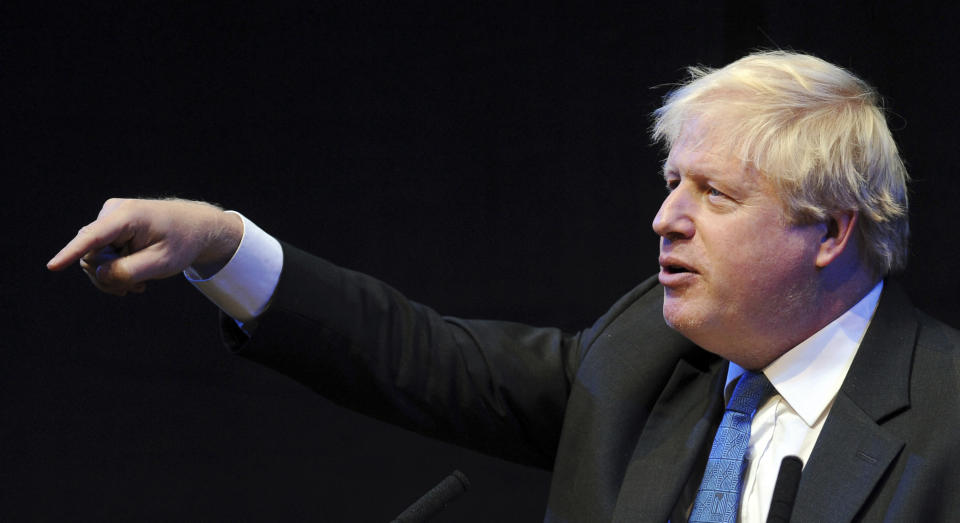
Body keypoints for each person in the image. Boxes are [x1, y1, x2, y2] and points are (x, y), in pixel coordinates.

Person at [47, 51, 960, 522]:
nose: (666, 219)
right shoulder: (652, 356)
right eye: (671, 183)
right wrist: (220, 244)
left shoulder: (946, 417)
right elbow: (424, 354)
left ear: (831, 231)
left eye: (714, 194)